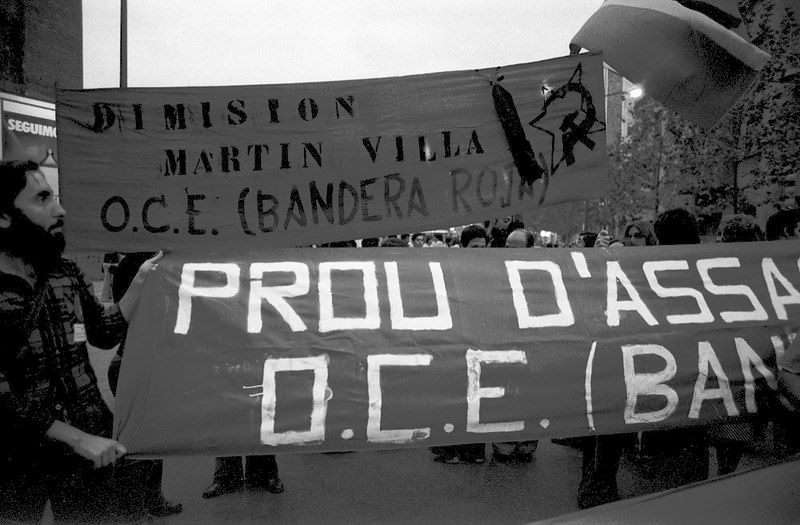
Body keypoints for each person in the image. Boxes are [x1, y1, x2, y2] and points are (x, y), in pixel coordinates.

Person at [0, 160, 161, 523]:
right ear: (4, 217)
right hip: (18, 456)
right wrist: (73, 437)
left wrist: (143, 279)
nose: (60, 210)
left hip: (89, 447)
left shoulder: (65, 272)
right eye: (42, 199)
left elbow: (103, 332)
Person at [107, 252, 182, 517]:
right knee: (137, 444)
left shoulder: (156, 263)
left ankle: (150, 500)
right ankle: (135, 508)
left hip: (146, 365)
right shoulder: (137, 265)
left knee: (151, 439)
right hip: (135, 367)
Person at [430, 224, 489, 464]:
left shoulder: (489, 270)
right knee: (453, 394)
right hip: (454, 342)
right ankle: (450, 448)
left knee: (476, 395)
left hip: (478, 341)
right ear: (463, 247)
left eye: (483, 248)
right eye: (475, 247)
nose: (480, 252)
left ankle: (473, 450)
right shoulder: (449, 270)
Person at [490, 228, 539, 463]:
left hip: (531, 344)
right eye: (507, 246)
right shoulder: (494, 270)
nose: (508, 251)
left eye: (515, 247)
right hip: (503, 341)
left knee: (530, 395)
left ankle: (527, 443)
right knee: (503, 394)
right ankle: (503, 442)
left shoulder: (541, 273)